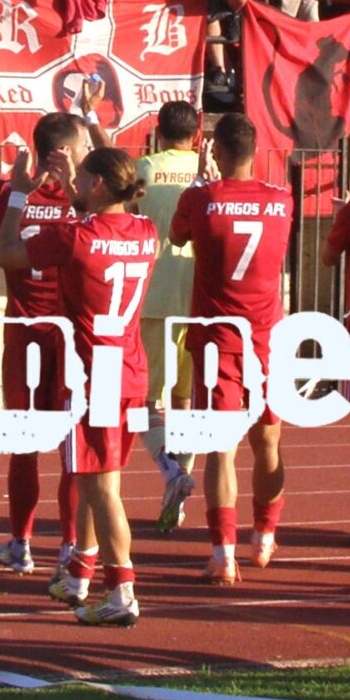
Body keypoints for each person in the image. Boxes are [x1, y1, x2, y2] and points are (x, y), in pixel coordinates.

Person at [0, 144, 158, 627]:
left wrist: (17, 197)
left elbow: (8, 254)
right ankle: (80, 574)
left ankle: (123, 591)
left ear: (97, 184)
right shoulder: (147, 231)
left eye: (83, 176)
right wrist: (76, 192)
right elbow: (104, 229)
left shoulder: (73, 236)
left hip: (93, 370)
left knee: (104, 486)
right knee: (92, 477)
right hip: (130, 365)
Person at [0, 93, 98, 576]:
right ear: (66, 152)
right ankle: (66, 543)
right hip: (68, 338)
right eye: (82, 144)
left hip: (23, 335)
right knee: (70, 447)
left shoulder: (11, 197)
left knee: (24, 444)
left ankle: (20, 543)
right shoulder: (84, 204)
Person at [171, 114, 296, 582]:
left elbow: (177, 236)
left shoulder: (201, 197)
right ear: (255, 151)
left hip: (218, 339)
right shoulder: (282, 200)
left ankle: (223, 552)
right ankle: (264, 535)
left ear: (216, 150)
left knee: (220, 448)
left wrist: (204, 180)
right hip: (266, 335)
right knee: (268, 440)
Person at [131, 103, 207, 535]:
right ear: (196, 135)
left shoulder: (146, 167)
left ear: (158, 133)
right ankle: (181, 489)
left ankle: (169, 472)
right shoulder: (208, 169)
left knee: (146, 401)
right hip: (197, 298)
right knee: (186, 401)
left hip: (155, 295)